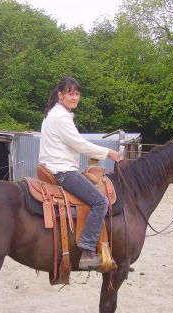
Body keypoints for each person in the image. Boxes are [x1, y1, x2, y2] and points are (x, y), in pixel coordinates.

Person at [38, 77, 121, 270]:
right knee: (101, 202)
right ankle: (87, 249)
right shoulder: (60, 117)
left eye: (77, 93)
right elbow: (79, 144)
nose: (75, 97)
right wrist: (107, 152)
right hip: (62, 171)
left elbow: (75, 143)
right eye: (70, 93)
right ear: (60, 95)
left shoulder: (57, 115)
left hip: (56, 167)